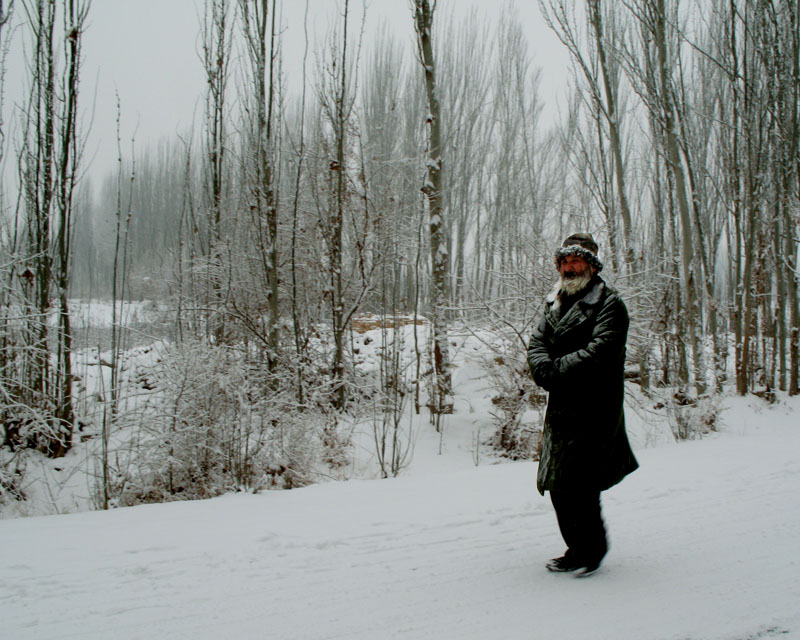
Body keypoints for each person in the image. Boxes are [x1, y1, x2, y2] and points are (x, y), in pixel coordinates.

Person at [527, 232, 638, 577]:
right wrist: (542, 367)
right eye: (564, 261)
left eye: (576, 260)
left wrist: (555, 371)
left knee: (583, 485)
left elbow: (600, 352)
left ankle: (593, 549)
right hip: (561, 408)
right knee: (560, 486)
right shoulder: (555, 302)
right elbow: (537, 342)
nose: (569, 267)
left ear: (591, 264)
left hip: (594, 407)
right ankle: (576, 548)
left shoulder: (610, 304)